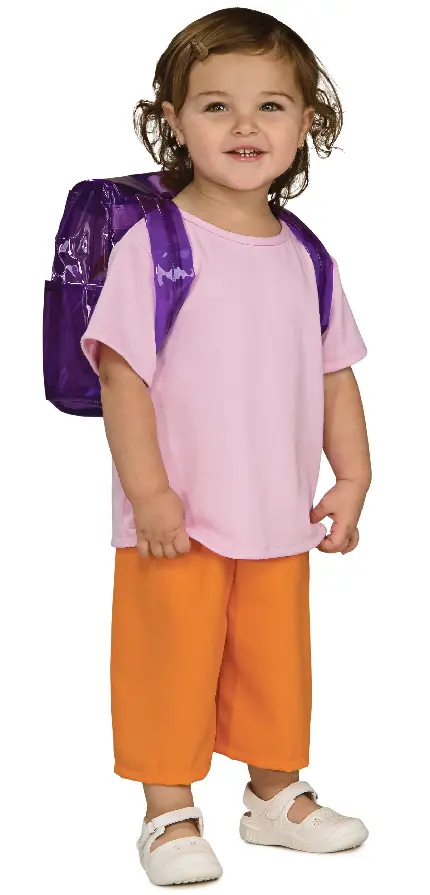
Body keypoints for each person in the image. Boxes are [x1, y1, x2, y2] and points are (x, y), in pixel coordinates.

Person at [81, 6, 371, 887]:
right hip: (178, 516)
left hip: (276, 512)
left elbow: (334, 372)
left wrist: (352, 474)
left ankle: (274, 795)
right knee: (167, 662)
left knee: (274, 663)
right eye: (216, 106)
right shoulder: (155, 245)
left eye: (270, 105)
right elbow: (121, 376)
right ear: (173, 121)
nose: (245, 125)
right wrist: (150, 493)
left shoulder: (306, 255)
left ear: (306, 122)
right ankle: (167, 812)